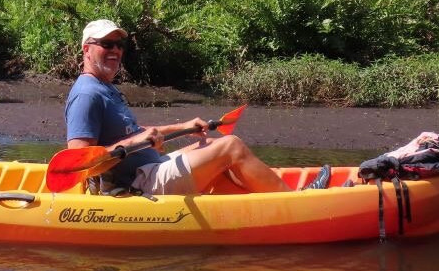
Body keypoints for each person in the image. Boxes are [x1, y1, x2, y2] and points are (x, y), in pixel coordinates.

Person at [64, 19, 330, 195]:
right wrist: (136, 142)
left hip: (150, 168)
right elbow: (78, 164)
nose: (115, 50)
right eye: (106, 44)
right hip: (137, 182)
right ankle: (295, 202)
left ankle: (259, 209)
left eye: (119, 45)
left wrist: (184, 126)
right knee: (231, 146)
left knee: (209, 145)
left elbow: (131, 132)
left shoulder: (105, 88)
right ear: (87, 49)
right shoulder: (86, 94)